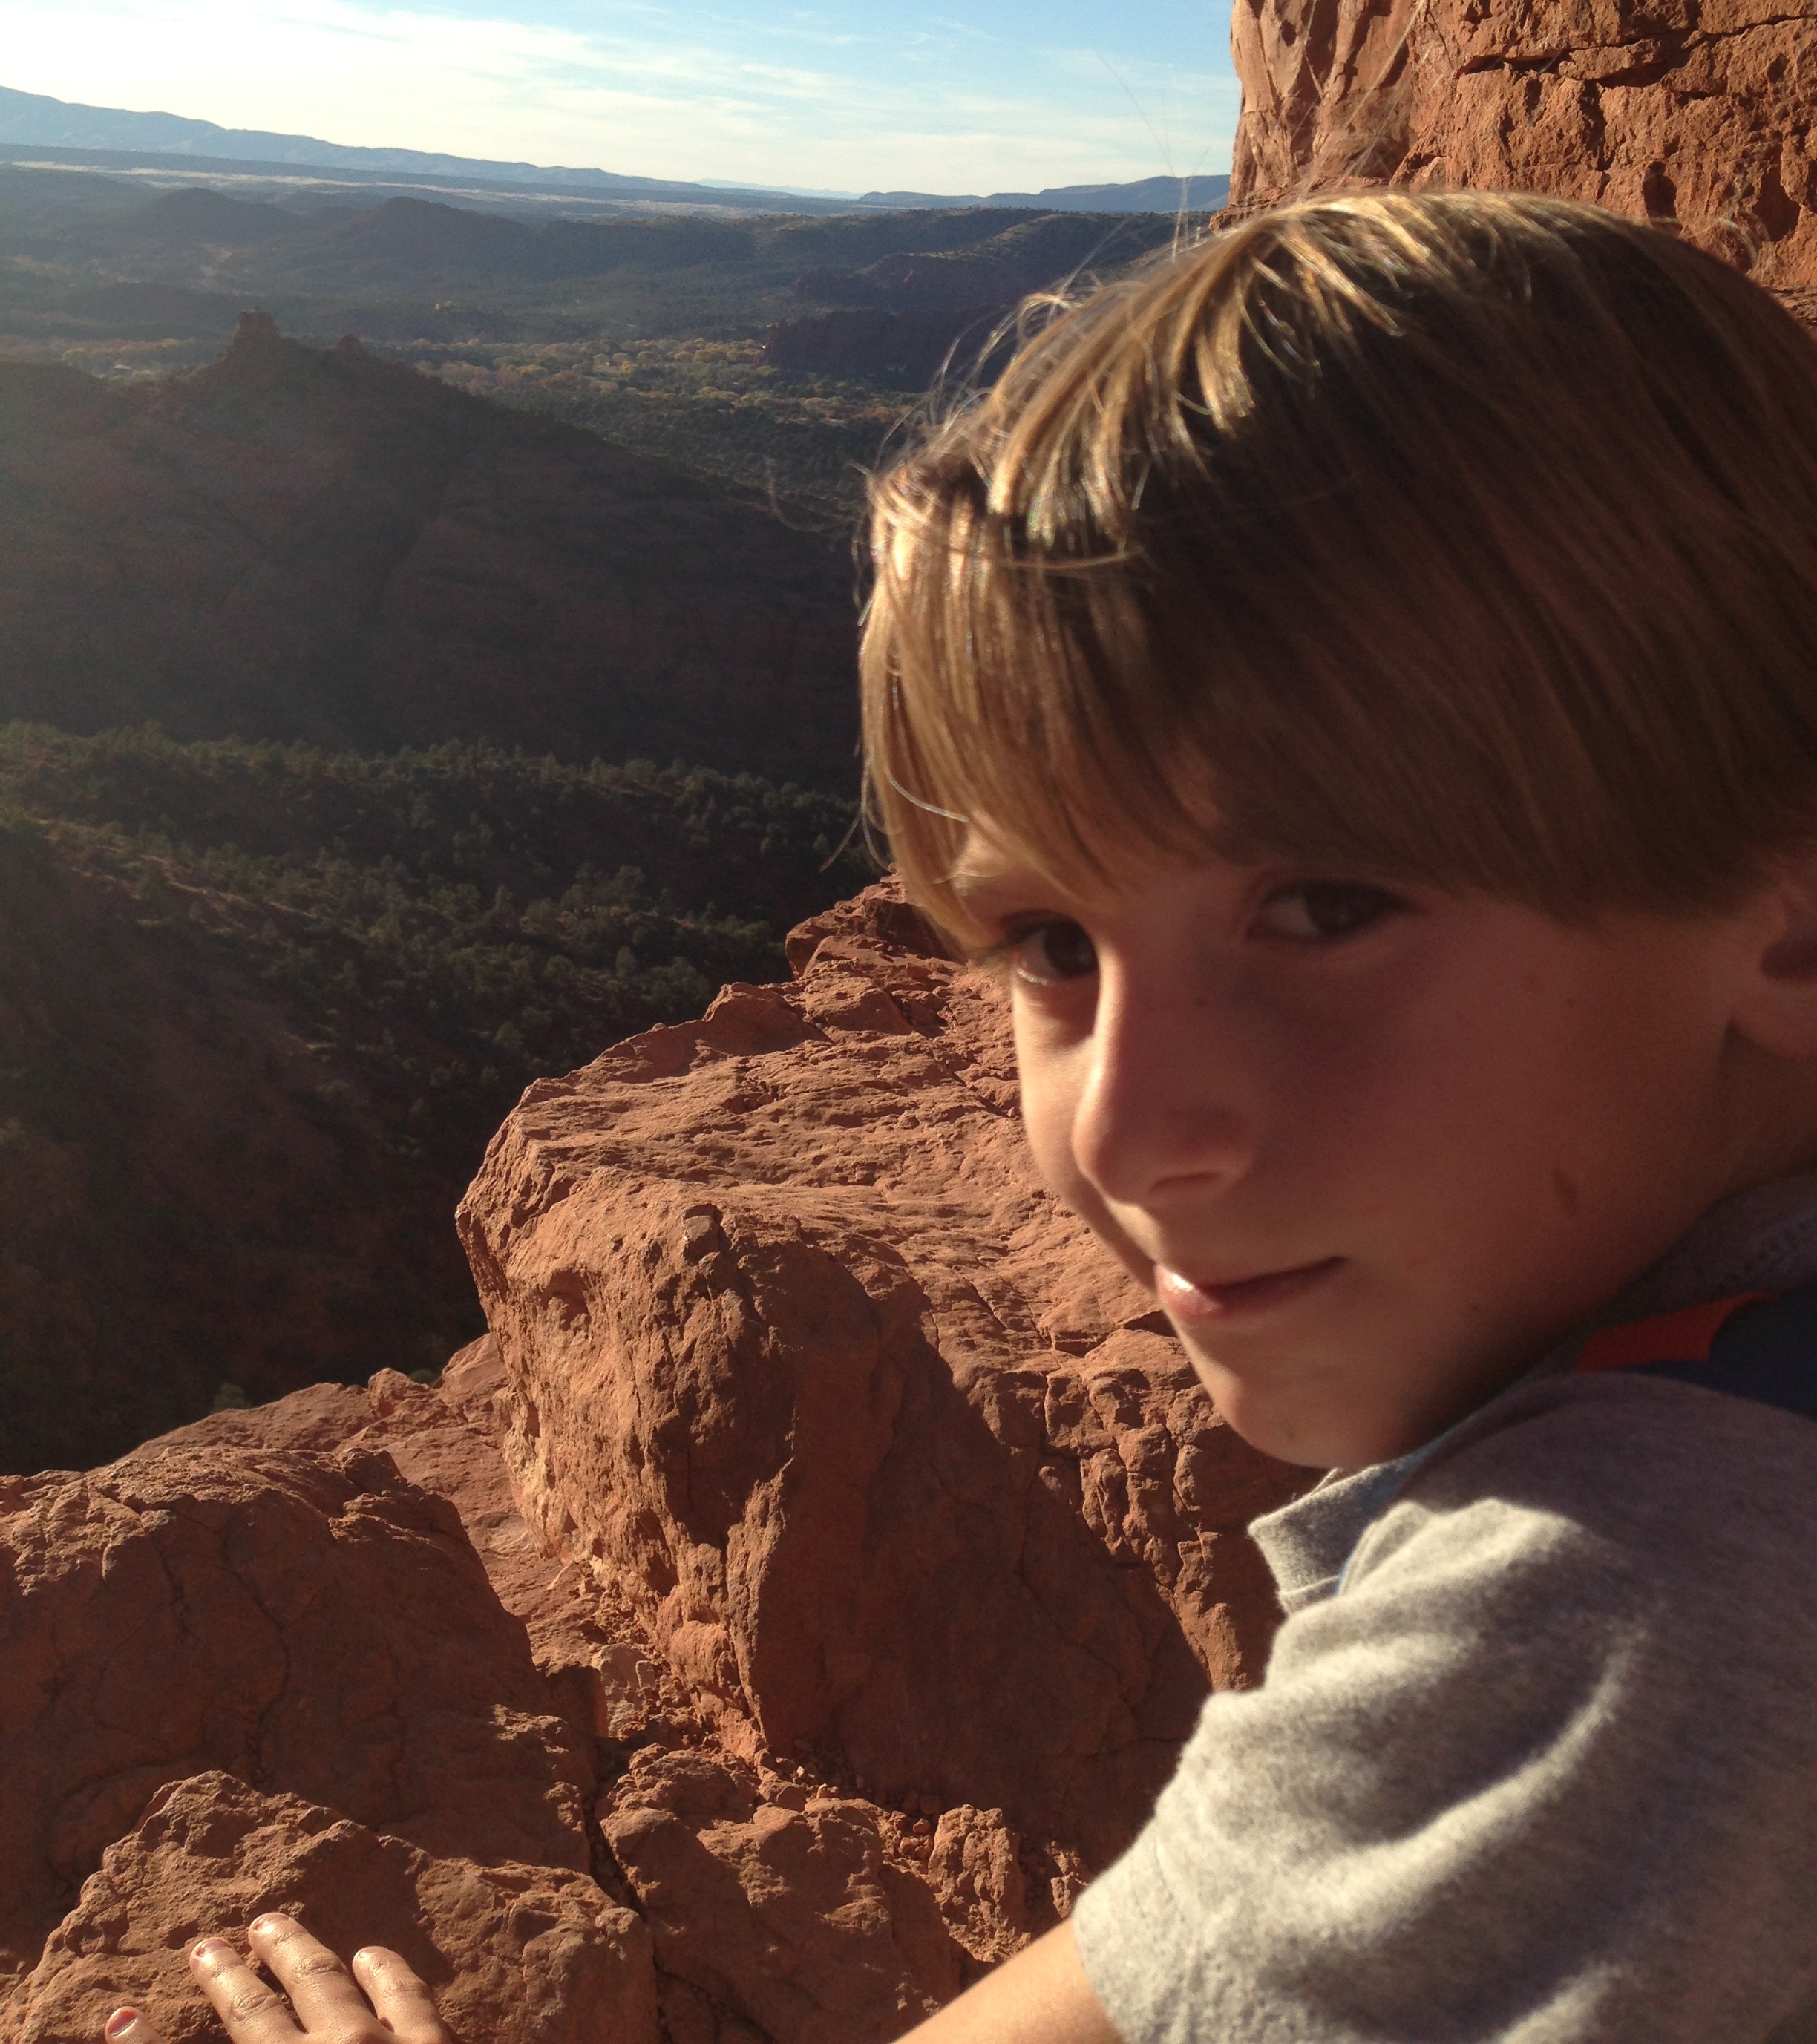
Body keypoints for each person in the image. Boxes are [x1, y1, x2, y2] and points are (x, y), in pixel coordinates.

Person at [105, 191, 1817, 2044]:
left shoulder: (1624, 1601)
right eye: (1051, 945)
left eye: (1328, 909)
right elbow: (1199, 1948)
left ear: (1789, 924)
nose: (1127, 1129)